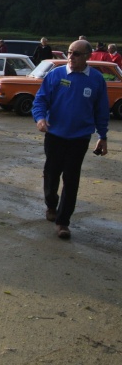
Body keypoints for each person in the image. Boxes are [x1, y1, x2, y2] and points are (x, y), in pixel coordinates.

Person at [32, 39, 108, 240]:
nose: (71, 57)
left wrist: (103, 136)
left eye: (76, 54)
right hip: (55, 135)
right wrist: (40, 118)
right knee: (51, 173)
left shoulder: (96, 80)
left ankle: (63, 222)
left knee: (71, 179)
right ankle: (51, 204)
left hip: (79, 138)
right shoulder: (56, 75)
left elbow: (101, 111)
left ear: (87, 57)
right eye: (69, 52)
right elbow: (40, 99)